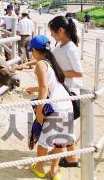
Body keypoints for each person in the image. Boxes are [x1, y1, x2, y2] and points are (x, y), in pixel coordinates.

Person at [16, 15, 83, 168]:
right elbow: (47, 59)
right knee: (63, 131)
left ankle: (66, 159)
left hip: (69, 92)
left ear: (61, 30)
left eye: (52, 32)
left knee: (59, 130)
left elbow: (79, 73)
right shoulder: (59, 46)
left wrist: (56, 74)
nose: (51, 35)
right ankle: (67, 160)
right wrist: (26, 65)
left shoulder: (71, 48)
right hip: (59, 90)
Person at [27, 35, 74, 180]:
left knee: (44, 139)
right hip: (67, 106)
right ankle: (54, 171)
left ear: (34, 50)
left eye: (32, 51)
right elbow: (51, 85)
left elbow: (44, 87)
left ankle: (40, 168)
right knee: (60, 140)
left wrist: (40, 110)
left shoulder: (41, 64)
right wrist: (33, 89)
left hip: (55, 107)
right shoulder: (53, 63)